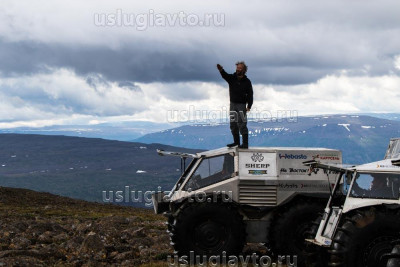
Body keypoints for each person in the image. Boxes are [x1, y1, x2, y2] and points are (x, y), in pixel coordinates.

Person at [217, 61, 253, 149]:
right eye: (237, 68)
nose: (238, 69)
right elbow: (225, 75)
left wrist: (249, 106)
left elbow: (250, 94)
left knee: (242, 124)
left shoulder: (247, 82)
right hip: (233, 104)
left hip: (241, 105)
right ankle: (236, 142)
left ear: (244, 70)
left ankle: (245, 144)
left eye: (240, 68)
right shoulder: (232, 78)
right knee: (233, 124)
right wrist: (221, 70)